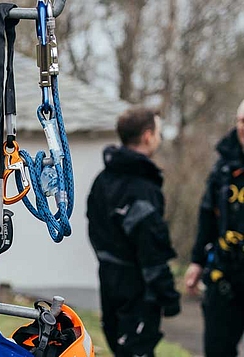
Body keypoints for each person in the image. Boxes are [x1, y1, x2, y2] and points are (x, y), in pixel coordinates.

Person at [87, 106, 181, 357]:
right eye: (159, 132)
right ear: (148, 135)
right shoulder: (141, 187)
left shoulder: (103, 179)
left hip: (108, 279)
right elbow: (152, 246)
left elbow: (93, 227)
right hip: (135, 288)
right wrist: (168, 295)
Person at [184, 99, 244, 357]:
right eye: (242, 121)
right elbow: (207, 215)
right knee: (218, 349)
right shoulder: (223, 167)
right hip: (225, 273)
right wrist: (197, 262)